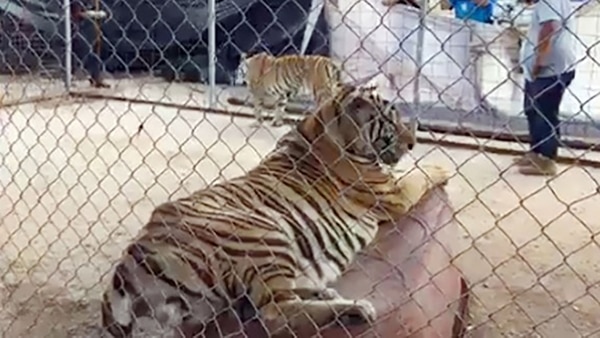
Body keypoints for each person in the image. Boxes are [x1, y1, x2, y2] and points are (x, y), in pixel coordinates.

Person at [514, 0, 576, 176]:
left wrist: (538, 62)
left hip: (548, 70)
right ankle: (536, 153)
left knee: (544, 114)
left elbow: (550, 27)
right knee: (533, 110)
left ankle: (546, 160)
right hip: (545, 70)